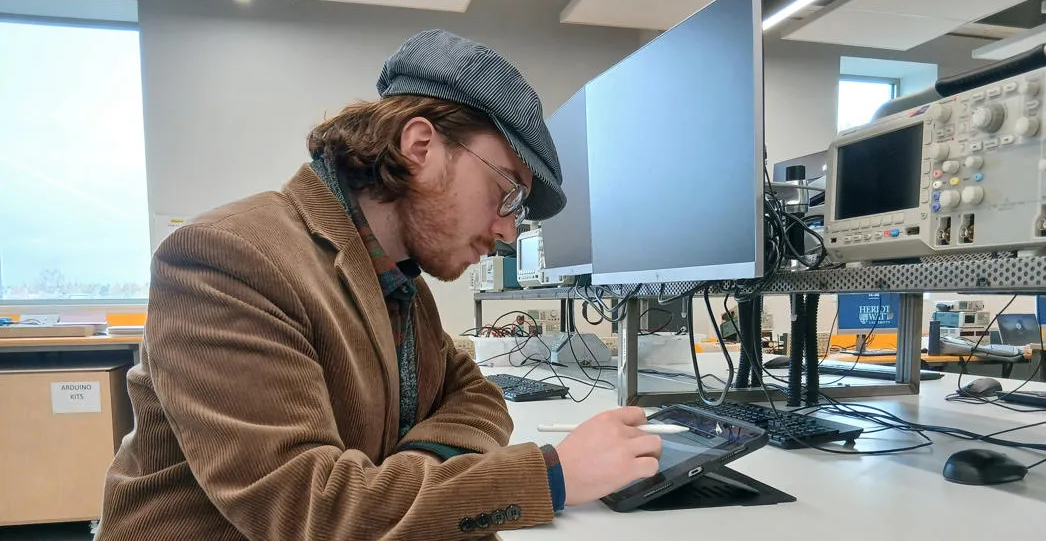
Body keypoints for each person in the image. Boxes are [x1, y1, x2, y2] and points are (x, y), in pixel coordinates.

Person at [95, 30, 661, 540]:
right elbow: (308, 511)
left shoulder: (397, 283)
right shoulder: (229, 258)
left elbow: (478, 395)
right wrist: (551, 476)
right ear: (420, 147)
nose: (509, 232)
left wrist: (410, 469)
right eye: (507, 192)